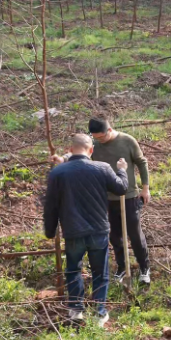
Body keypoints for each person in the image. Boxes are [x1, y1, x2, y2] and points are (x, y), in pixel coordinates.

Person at [52, 120, 152, 285]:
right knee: (114, 235)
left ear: (109, 130)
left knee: (135, 234)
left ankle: (144, 268)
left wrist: (145, 188)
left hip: (128, 195)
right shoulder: (94, 144)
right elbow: (79, 155)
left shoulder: (127, 141)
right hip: (105, 198)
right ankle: (121, 267)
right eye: (96, 138)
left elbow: (141, 162)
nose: (99, 140)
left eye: (102, 137)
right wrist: (62, 159)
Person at [43, 133, 129, 326]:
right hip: (98, 231)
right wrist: (122, 170)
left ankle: (75, 311)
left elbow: (51, 206)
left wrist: (50, 230)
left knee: (73, 269)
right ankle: (99, 313)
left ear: (71, 149)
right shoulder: (102, 168)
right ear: (91, 150)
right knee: (100, 272)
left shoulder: (58, 173)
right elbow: (122, 188)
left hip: (73, 231)